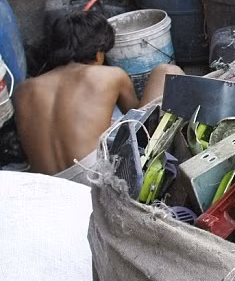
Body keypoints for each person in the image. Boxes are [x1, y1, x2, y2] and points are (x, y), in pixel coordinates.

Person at [13, 11, 182, 183]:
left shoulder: (22, 90)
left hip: (48, 185)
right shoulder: (111, 75)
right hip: (94, 179)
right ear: (98, 52)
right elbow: (137, 122)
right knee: (167, 71)